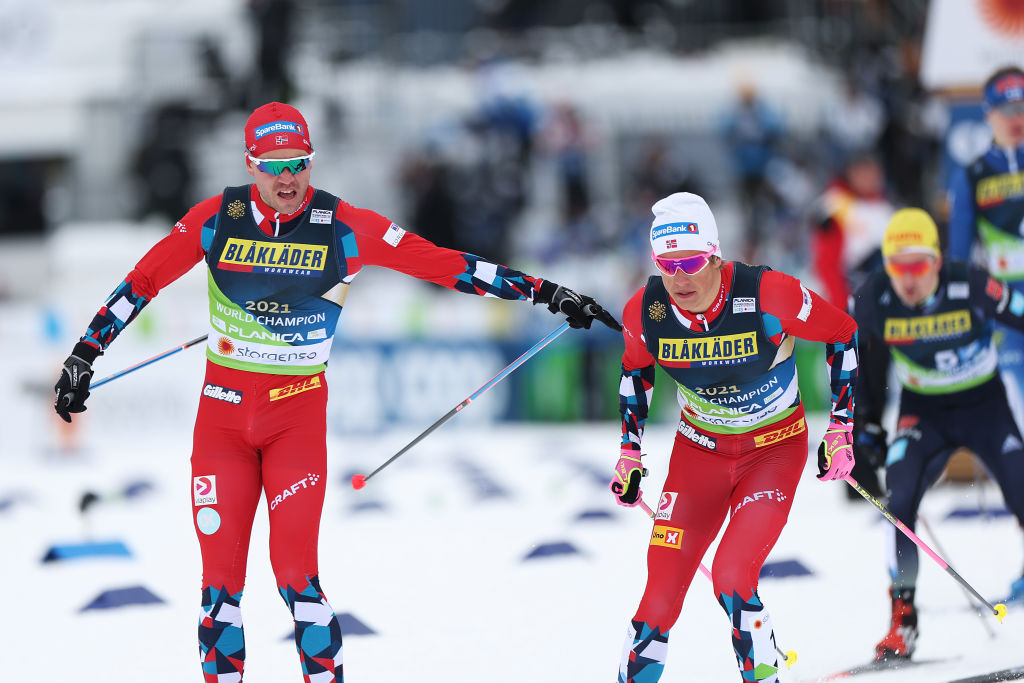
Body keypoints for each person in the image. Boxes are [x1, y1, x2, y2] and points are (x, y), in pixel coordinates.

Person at [52, 102, 620, 683]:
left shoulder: (345, 227)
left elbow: (446, 266)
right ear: (251, 166)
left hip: (294, 422)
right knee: (219, 588)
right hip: (221, 423)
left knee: (297, 578)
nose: (287, 179)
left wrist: (548, 293)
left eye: (298, 164)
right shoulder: (214, 218)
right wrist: (83, 355)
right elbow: (142, 281)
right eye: (273, 167)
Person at [611, 192, 859, 683]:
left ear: (716, 257)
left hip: (772, 451)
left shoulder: (770, 294)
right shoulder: (645, 311)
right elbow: (635, 374)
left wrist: (842, 425)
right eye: (667, 264)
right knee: (658, 595)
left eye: (692, 262)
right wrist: (628, 451)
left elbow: (843, 333)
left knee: (731, 576)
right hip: (698, 454)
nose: (679, 277)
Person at [852, 208, 1024, 661]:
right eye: (897, 266)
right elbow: (866, 363)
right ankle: (902, 619)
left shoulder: (969, 282)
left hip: (984, 405)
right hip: (923, 412)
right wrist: (866, 424)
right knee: (900, 497)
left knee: (1021, 483)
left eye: (919, 265)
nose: (907, 278)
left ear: (938, 261)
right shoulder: (874, 296)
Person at [948, 66, 1024, 422]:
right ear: (988, 114)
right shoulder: (973, 174)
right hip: (1009, 302)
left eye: (1023, 107)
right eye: (1008, 110)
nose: (1017, 118)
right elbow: (959, 254)